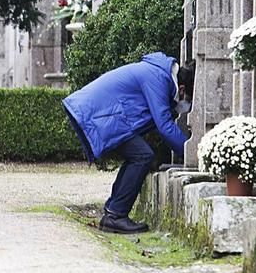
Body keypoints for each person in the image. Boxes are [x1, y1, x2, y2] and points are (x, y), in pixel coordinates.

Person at [62, 52, 195, 234]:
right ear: (181, 89)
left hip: (101, 114)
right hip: (96, 114)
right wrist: (193, 154)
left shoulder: (157, 72)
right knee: (142, 156)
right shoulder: (157, 77)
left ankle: (113, 212)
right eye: (187, 99)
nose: (183, 105)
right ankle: (115, 215)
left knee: (139, 155)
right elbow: (164, 125)